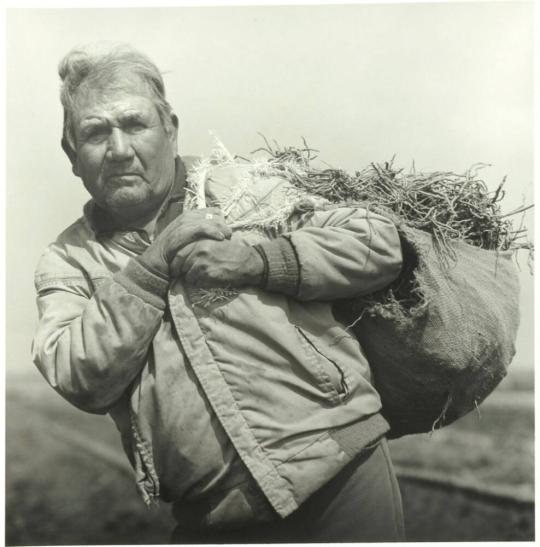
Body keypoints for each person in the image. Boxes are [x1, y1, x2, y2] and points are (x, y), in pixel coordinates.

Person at [32, 43, 405, 543]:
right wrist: (150, 270)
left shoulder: (241, 188)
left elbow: (375, 242)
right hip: (214, 516)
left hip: (342, 475)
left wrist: (260, 261)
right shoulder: (68, 260)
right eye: (96, 133)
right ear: (71, 154)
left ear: (170, 128)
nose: (119, 149)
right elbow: (77, 374)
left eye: (135, 124)